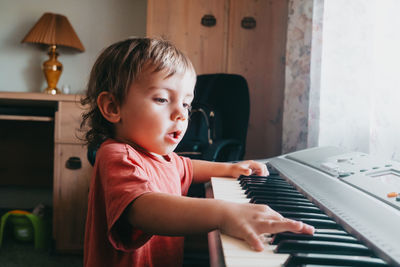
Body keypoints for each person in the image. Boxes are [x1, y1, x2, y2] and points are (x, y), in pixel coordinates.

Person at [80, 37, 314, 267]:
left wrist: (229, 168)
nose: (182, 115)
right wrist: (224, 213)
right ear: (112, 107)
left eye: (186, 104)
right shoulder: (117, 155)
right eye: (162, 99)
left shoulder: (161, 157)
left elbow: (186, 167)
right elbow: (142, 208)